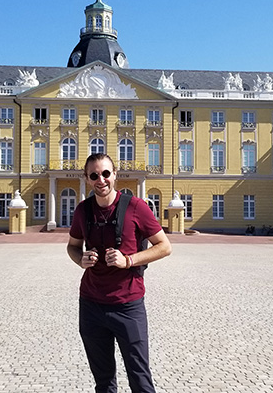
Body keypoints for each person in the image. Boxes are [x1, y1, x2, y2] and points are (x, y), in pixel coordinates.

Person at [67, 153, 172, 393]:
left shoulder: (136, 207)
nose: (100, 180)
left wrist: (129, 260)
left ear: (115, 175)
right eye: (94, 175)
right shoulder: (83, 210)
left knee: (139, 377)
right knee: (103, 382)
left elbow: (164, 246)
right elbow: (73, 246)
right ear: (86, 178)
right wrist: (80, 259)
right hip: (91, 305)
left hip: (128, 304)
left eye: (105, 173)